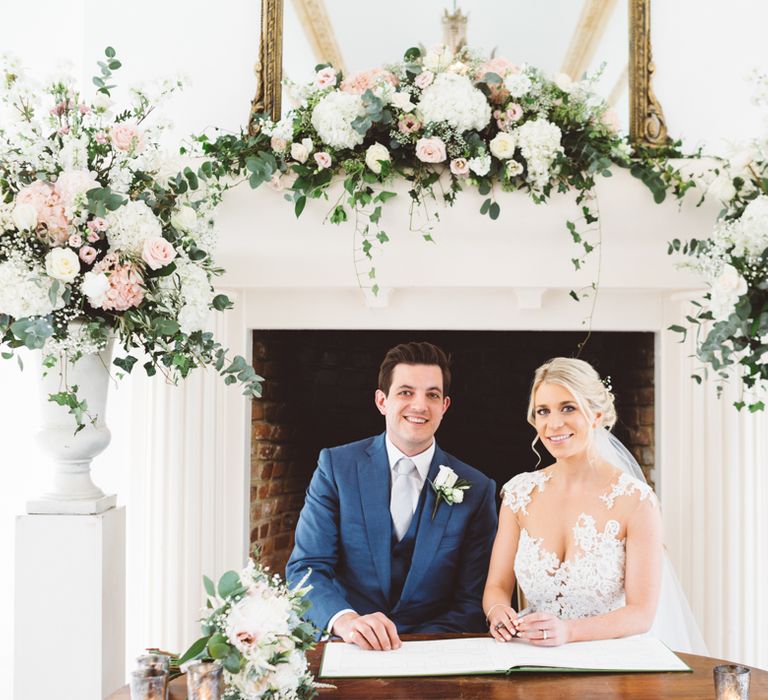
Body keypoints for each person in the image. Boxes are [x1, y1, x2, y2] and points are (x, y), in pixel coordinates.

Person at [286, 341, 498, 651]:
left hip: (432, 651)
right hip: (349, 645)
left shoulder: (476, 488)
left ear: (445, 406)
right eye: (406, 392)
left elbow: (472, 599)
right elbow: (306, 568)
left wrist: (416, 647)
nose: (420, 405)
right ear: (382, 401)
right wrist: (346, 622)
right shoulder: (336, 467)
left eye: (432, 395)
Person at [484, 357, 665, 647]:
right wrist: (497, 611)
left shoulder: (636, 501)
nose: (554, 424)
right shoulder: (519, 494)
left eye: (568, 408)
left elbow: (641, 614)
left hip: (608, 660)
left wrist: (569, 632)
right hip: (532, 653)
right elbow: (496, 586)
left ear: (596, 415)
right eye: (543, 411)